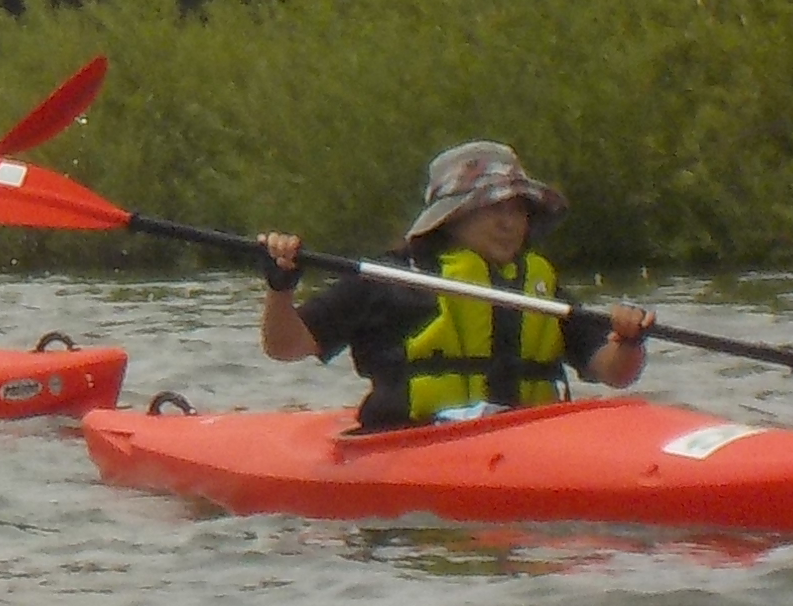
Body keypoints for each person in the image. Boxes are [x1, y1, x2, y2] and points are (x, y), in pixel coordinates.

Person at [247, 140, 649, 428]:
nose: (509, 223)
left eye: (518, 209)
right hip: (412, 446)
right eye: (492, 208)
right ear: (451, 217)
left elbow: (614, 372)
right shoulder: (389, 279)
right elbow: (286, 347)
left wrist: (629, 341)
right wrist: (280, 288)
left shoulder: (538, 287)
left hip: (528, 441)